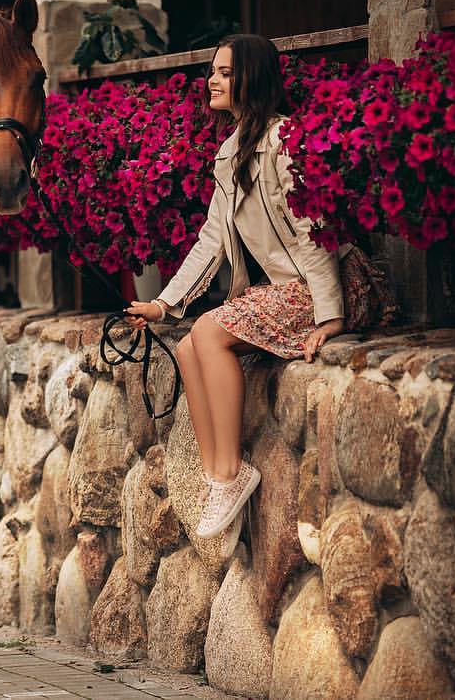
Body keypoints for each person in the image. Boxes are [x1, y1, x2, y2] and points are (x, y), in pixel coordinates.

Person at [125, 34, 345, 540]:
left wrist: (330, 312)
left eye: (225, 72)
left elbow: (311, 228)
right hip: (281, 291)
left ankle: (228, 475)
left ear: (251, 77)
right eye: (213, 72)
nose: (213, 80)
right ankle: (220, 472)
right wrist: (164, 303)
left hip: (307, 290)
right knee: (185, 345)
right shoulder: (229, 153)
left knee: (212, 330)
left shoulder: (283, 141)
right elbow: (210, 241)